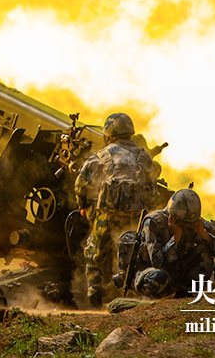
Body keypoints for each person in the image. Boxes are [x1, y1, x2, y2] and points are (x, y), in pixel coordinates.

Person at [74, 112, 159, 307]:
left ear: (109, 133)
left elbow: (80, 184)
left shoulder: (102, 155)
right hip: (135, 218)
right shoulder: (144, 157)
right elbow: (152, 190)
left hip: (107, 216)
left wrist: (84, 207)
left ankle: (94, 296)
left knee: (94, 253)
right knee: (133, 256)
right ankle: (133, 298)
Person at [121, 188, 215, 298]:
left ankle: (185, 291)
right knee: (158, 278)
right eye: (183, 224)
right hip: (151, 271)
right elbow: (157, 262)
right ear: (173, 218)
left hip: (179, 274)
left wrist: (203, 234)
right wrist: (176, 237)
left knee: (204, 256)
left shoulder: (197, 223)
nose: (187, 227)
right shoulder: (154, 222)